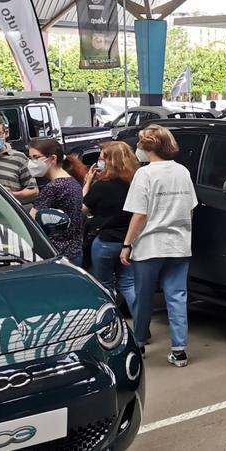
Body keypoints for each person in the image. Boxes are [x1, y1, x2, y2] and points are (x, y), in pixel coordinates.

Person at [120, 125, 197, 367]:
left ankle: (140, 343)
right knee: (177, 296)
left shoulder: (145, 174)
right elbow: (191, 208)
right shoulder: (182, 171)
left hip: (150, 245)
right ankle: (179, 350)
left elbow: (139, 215)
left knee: (144, 297)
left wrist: (127, 244)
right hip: (179, 245)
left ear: (146, 146)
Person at [84, 141, 139, 310]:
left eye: (101, 158)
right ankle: (142, 326)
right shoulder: (135, 184)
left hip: (105, 242)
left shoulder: (101, 187)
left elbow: (83, 208)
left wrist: (87, 182)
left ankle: (112, 326)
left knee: (105, 286)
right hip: (129, 242)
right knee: (128, 284)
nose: (99, 162)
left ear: (110, 161)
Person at [27, 139, 85, 264]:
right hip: (74, 251)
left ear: (52, 158)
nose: (31, 162)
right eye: (30, 158)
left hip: (57, 254)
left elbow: (30, 221)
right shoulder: (72, 182)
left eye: (36, 157)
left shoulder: (54, 187)